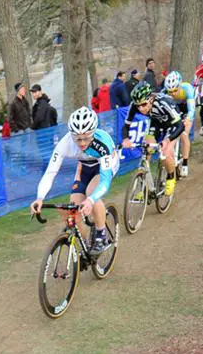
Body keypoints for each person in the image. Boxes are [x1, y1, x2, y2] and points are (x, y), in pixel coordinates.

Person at [30, 107, 120, 256]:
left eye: (86, 138)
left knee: (91, 192)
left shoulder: (102, 144)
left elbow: (104, 180)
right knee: (70, 210)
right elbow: (50, 173)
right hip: (84, 167)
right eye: (77, 139)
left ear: (93, 133)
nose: (82, 143)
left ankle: (101, 233)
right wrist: (40, 197)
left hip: (103, 167)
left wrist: (90, 200)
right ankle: (86, 245)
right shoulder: (64, 144)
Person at [121, 82, 185, 198]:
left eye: (144, 104)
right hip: (155, 123)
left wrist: (167, 140)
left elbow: (181, 126)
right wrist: (125, 139)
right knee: (146, 148)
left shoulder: (164, 103)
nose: (141, 108)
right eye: (138, 105)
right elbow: (126, 125)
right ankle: (144, 184)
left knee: (165, 152)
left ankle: (171, 177)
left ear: (151, 99)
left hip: (172, 124)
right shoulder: (135, 105)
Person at [162, 70, 195, 176]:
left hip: (186, 110)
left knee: (184, 134)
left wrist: (189, 118)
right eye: (170, 92)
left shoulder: (187, 88)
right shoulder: (164, 93)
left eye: (175, 90)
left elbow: (191, 109)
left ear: (179, 86)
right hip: (174, 111)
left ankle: (185, 163)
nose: (172, 94)